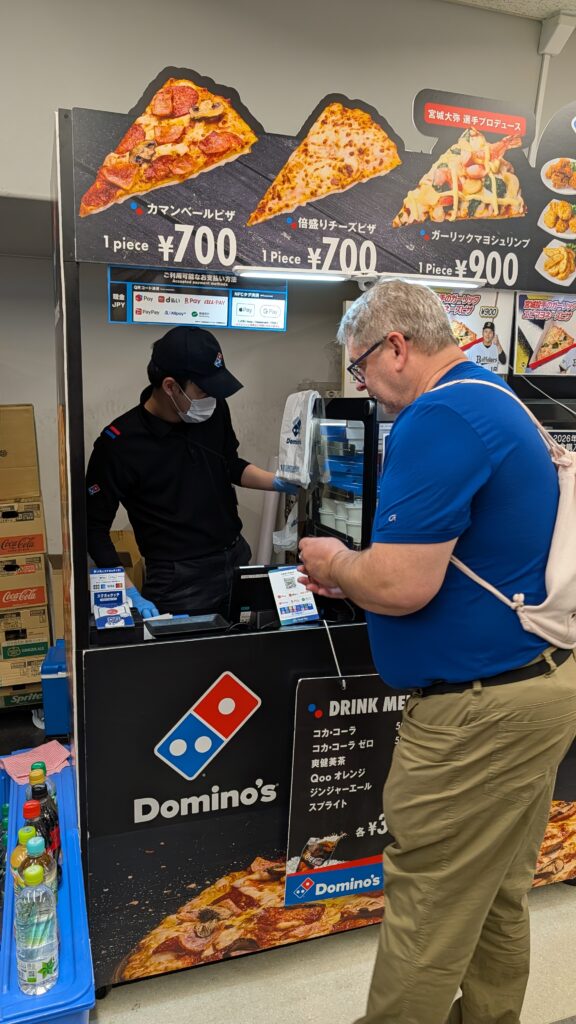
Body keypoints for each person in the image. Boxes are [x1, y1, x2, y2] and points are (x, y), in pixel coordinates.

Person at [298, 280, 576, 1024]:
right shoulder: (495, 398)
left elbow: (401, 584)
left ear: (395, 346)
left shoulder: (439, 415)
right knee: (495, 893)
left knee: (428, 905)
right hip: (534, 685)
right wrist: (360, 576)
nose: (363, 386)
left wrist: (336, 564)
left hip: (477, 713)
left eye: (360, 367)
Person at [86, 325, 296, 618]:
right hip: (179, 581)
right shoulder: (119, 443)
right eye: (204, 390)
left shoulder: (214, 410)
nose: (213, 398)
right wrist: (127, 590)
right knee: (187, 650)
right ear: (170, 386)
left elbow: (229, 464)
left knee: (250, 644)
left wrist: (279, 481)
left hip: (235, 557)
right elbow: (93, 529)